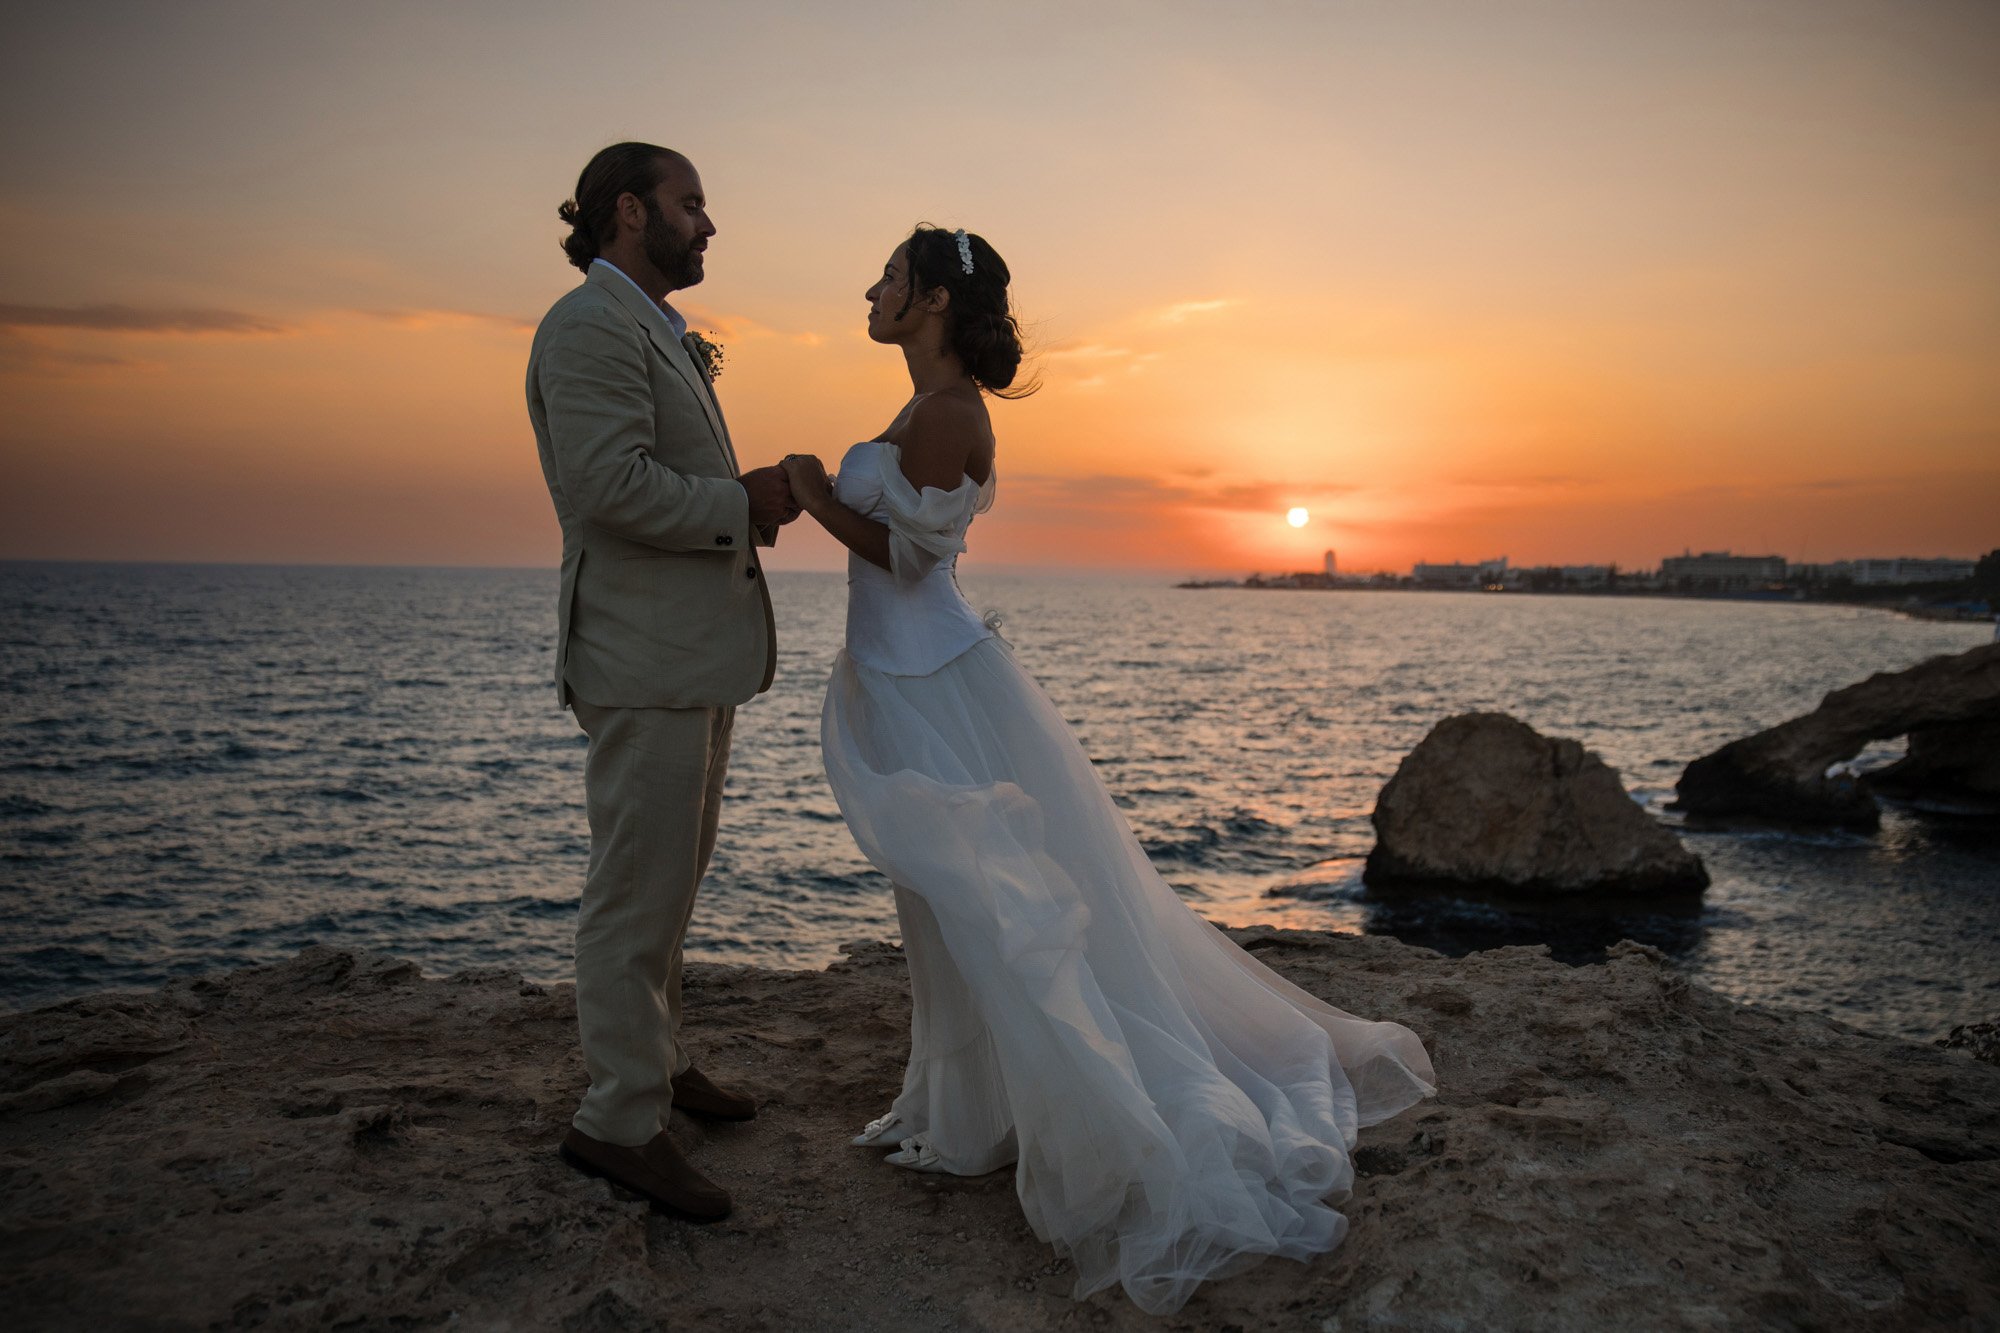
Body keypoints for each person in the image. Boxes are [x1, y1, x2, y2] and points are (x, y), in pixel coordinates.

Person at [777, 225, 1437, 1314]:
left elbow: (905, 558)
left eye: (890, 277)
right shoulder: (922, 409)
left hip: (938, 683)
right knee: (945, 907)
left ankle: (1038, 1114)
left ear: (933, 300)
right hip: (907, 677)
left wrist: (809, 490)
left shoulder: (946, 415)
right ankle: (970, 1108)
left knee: (992, 904)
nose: (872, 289)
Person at [526, 142, 797, 1222]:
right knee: (635, 889)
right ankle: (617, 1122)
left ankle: (659, 1058)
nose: (708, 223)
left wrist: (743, 500)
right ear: (629, 211)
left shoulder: (650, 327)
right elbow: (605, 487)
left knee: (675, 875)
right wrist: (747, 499)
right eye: (692, 204)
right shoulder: (587, 323)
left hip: (684, 652)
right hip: (639, 655)